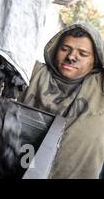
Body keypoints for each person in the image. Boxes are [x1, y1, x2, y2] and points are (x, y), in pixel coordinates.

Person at [19, 23, 104, 179]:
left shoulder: (99, 88)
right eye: (65, 49)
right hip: (20, 171)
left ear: (96, 59)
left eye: (83, 53)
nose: (71, 57)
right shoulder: (33, 72)